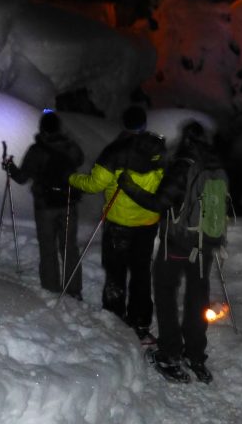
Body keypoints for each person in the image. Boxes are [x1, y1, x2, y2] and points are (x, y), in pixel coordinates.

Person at [118, 120, 223, 384]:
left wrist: (129, 186)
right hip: (205, 244)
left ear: (186, 140)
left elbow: (157, 203)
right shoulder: (215, 166)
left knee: (165, 293)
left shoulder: (183, 166)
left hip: (177, 243)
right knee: (197, 299)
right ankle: (196, 356)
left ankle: (169, 354)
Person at [68, 105, 165, 342]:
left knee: (116, 271)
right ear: (144, 124)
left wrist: (72, 178)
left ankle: (114, 319)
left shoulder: (115, 151)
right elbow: (164, 182)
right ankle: (141, 321)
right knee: (141, 272)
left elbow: (94, 184)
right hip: (148, 221)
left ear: (124, 124)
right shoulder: (157, 150)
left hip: (119, 222)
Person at [11, 111, 85, 299]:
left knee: (48, 247)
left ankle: (51, 287)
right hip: (68, 202)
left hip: (45, 205)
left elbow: (21, 178)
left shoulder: (36, 150)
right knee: (69, 247)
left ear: (42, 129)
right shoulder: (70, 147)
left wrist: (10, 167)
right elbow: (80, 159)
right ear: (59, 127)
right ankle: (73, 289)